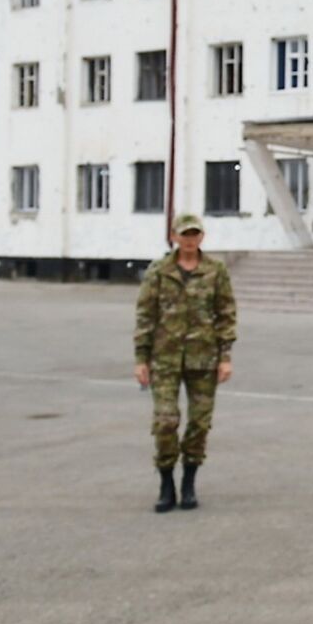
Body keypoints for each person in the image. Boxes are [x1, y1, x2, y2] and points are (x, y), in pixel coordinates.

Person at [133, 213, 237, 513]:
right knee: (165, 422)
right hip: (164, 358)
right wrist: (141, 359)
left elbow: (226, 313)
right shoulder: (159, 271)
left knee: (199, 424)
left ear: (201, 237)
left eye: (194, 234)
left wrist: (225, 357)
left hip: (203, 359)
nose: (190, 240)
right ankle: (166, 484)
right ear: (174, 237)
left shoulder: (215, 270)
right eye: (184, 234)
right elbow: (145, 315)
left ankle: (189, 482)